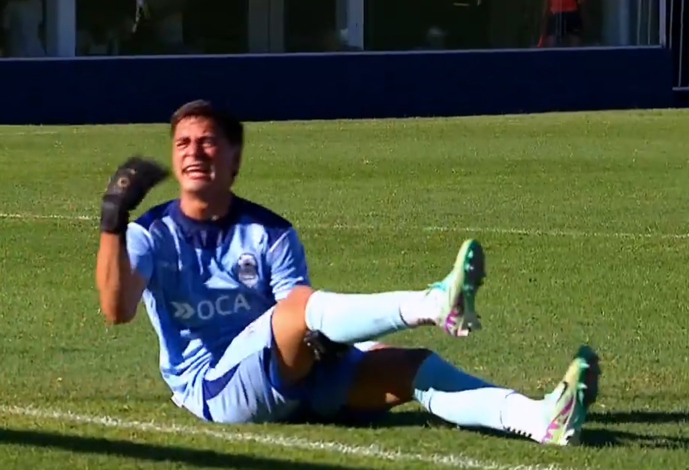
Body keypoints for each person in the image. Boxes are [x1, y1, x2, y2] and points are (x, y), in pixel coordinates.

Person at [95, 99, 600, 445]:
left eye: (207, 142)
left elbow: (302, 319)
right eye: (183, 143)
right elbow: (116, 310)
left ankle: (540, 419)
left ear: (235, 157)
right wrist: (113, 220)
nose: (193, 152)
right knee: (299, 310)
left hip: (290, 375)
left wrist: (338, 343)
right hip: (215, 389)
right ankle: (431, 304)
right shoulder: (149, 233)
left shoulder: (270, 232)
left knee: (412, 368)